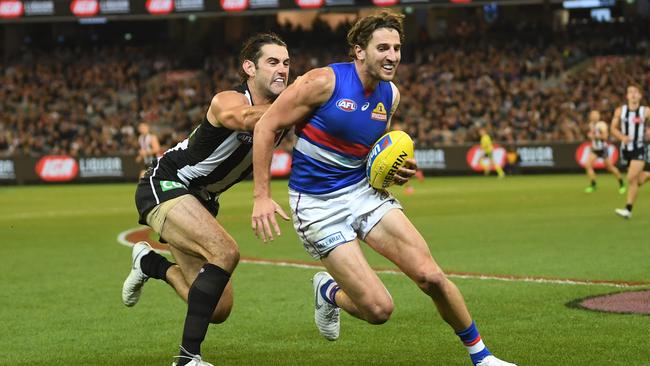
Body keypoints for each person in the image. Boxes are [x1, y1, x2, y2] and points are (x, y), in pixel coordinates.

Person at [250, 11, 516, 366]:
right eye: (383, 48)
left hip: (362, 192)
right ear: (359, 51)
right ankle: (328, 291)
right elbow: (266, 127)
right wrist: (261, 196)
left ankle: (482, 357)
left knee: (431, 276)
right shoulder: (321, 82)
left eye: (397, 48)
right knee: (378, 310)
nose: (392, 56)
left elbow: (369, 152)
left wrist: (392, 171)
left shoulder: (391, 95)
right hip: (317, 205)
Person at [121, 33, 290, 366]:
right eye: (272, 62)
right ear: (249, 68)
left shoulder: (282, 113)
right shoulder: (227, 100)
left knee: (218, 309)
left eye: (286, 62)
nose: (282, 69)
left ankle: (150, 264)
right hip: (167, 183)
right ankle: (187, 358)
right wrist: (298, 104)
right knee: (225, 252)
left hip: (202, 201)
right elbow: (246, 120)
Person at [611, 85, 650, 219]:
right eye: (630, 92)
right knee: (637, 180)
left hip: (639, 147)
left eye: (636, 92)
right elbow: (613, 128)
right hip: (625, 149)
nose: (633, 94)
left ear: (640, 96)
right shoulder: (620, 111)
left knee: (631, 177)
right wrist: (622, 137)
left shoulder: (646, 111)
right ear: (627, 96)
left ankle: (628, 209)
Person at [583, 110, 625, 194]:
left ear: (598, 116)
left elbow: (605, 136)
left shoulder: (601, 124)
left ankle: (621, 184)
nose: (594, 116)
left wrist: (594, 136)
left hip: (603, 149)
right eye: (592, 115)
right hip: (595, 149)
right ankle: (593, 184)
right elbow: (592, 137)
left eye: (595, 115)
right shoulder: (591, 125)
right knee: (587, 165)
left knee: (610, 167)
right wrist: (591, 138)